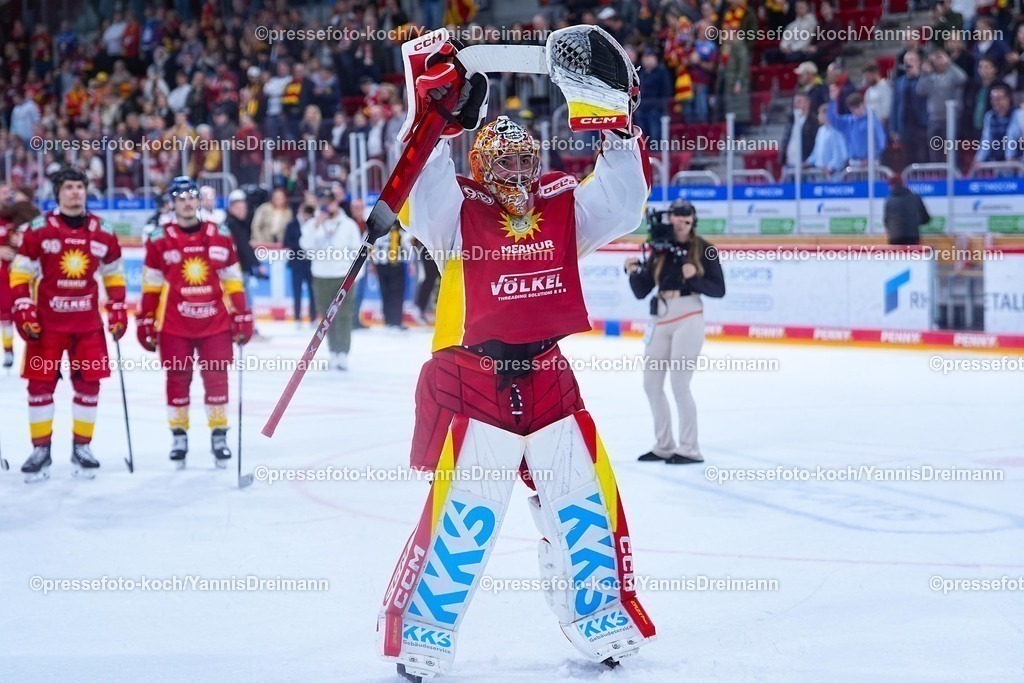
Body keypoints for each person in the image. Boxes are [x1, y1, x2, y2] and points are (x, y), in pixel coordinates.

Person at [378, 33, 655, 679]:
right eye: (505, 163)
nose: (520, 174)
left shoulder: (562, 205)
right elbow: (421, 184)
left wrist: (617, 129)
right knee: (465, 518)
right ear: (483, 163)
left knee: (582, 503)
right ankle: (425, 635)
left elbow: (622, 203)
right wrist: (435, 115)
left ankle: (601, 617)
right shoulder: (457, 213)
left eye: (528, 160)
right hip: (477, 380)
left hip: (550, 374)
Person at [9, 168, 127, 481]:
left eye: (79, 187)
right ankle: (41, 449)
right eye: (69, 187)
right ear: (58, 192)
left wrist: (117, 308)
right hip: (45, 327)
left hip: (87, 326)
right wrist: (23, 309)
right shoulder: (38, 229)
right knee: (39, 386)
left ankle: (82, 447)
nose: (75, 192)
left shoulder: (103, 230)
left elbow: (114, 273)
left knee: (89, 386)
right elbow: (20, 274)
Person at [136, 176, 253, 469]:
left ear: (198, 201)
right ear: (172, 203)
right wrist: (145, 319)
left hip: (215, 324)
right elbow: (150, 285)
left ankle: (219, 435)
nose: (187, 202)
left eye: (192, 196)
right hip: (175, 325)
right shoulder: (158, 239)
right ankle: (179, 436)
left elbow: (232, 278)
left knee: (216, 379)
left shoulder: (220, 234)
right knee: (177, 380)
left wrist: (243, 314)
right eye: (181, 197)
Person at [626, 200, 724, 464]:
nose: (679, 222)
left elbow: (719, 289)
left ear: (693, 220)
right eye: (675, 216)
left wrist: (694, 278)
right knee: (651, 383)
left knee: (680, 384)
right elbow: (641, 291)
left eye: (685, 217)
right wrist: (633, 272)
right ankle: (664, 444)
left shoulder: (705, 249)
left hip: (689, 314)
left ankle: (690, 448)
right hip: (661, 315)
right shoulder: (660, 249)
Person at [299, 188, 362, 370]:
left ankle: (343, 352)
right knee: (325, 317)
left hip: (343, 276)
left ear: (336, 202)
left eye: (330, 201)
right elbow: (306, 247)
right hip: (320, 276)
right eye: (324, 201)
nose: (327, 205)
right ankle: (333, 351)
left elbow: (357, 251)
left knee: (344, 315)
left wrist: (355, 276)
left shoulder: (348, 224)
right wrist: (316, 227)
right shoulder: (313, 224)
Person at [283, 201, 316, 327]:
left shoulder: (313, 225)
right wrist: (303, 247)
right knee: (297, 291)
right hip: (297, 263)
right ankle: (297, 318)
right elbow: (287, 241)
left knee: (313, 291)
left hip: (310, 263)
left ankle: (313, 317)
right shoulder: (292, 225)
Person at [884, 176, 930, 245]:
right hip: (912, 237)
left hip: (895, 238)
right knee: (913, 255)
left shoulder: (889, 200)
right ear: (903, 184)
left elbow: (886, 221)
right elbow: (926, 218)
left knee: (896, 255)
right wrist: (914, 222)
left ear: (891, 186)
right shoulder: (915, 197)